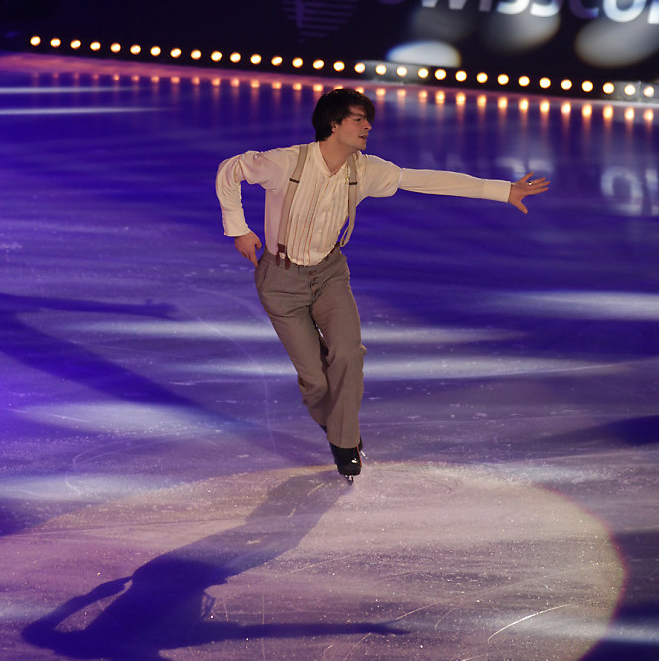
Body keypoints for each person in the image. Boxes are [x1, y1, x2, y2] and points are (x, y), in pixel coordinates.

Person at [215, 87, 549, 481]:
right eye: (358, 119)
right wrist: (238, 229)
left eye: (367, 119)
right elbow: (231, 170)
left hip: (329, 275)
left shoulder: (366, 170)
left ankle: (344, 441)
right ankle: (335, 423)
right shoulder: (285, 162)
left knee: (348, 353)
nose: (367, 125)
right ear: (334, 123)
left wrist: (503, 190)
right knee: (314, 378)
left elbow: (422, 179)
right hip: (280, 280)